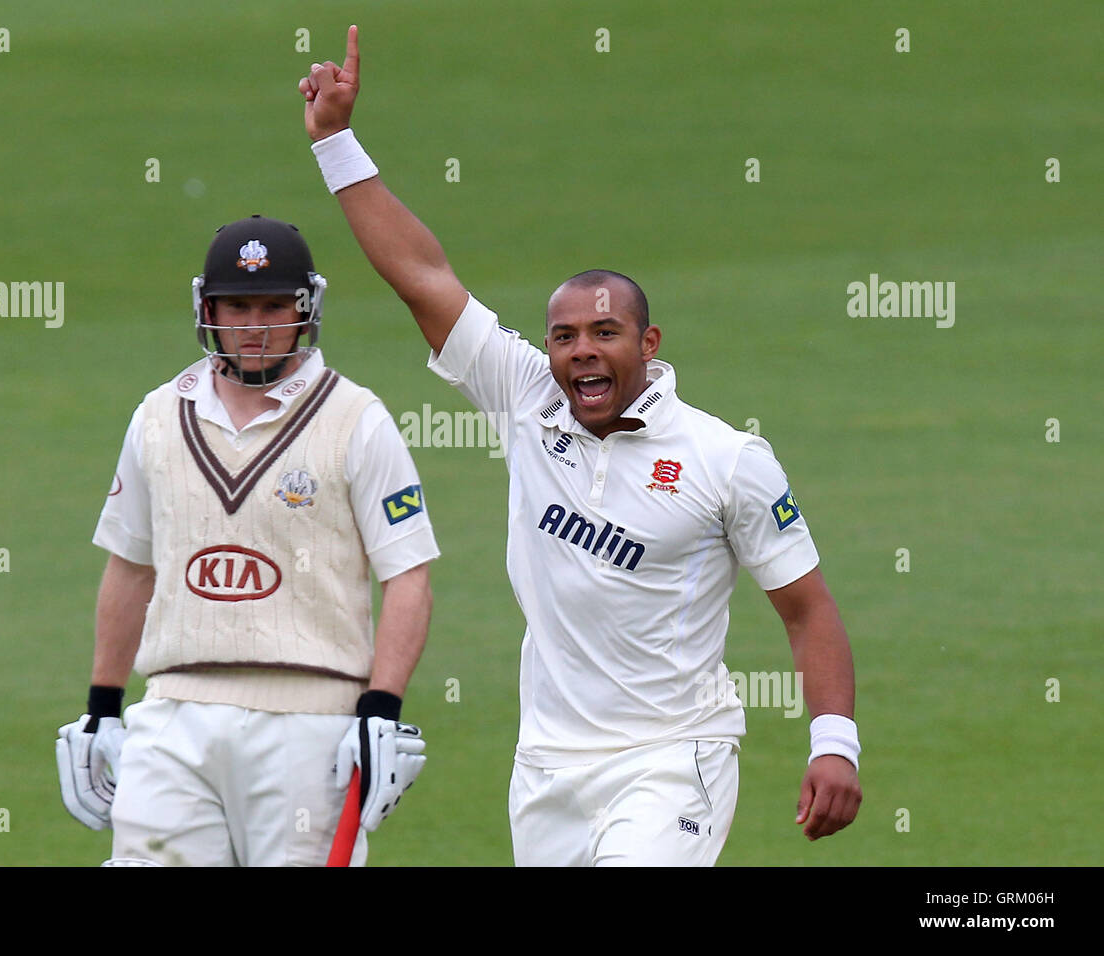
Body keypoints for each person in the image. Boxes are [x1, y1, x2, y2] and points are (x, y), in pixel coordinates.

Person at [296, 27, 862, 866]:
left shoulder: (726, 458)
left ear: (650, 342)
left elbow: (807, 606)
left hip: (676, 757)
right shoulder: (528, 397)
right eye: (564, 336)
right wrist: (336, 142)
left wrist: (835, 742)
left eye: (606, 332)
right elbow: (424, 277)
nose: (582, 351)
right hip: (548, 767)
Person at [55, 215, 438, 866]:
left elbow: (408, 574)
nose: (255, 324)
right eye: (238, 306)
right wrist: (102, 706)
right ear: (208, 308)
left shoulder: (357, 420)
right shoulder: (156, 416)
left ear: (305, 309)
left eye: (272, 306)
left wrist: (380, 708)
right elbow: (130, 566)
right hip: (173, 713)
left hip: (310, 726)